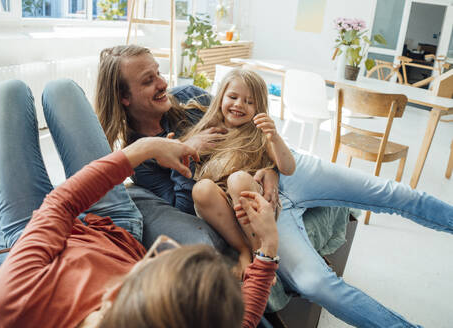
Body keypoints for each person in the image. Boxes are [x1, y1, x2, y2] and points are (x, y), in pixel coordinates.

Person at [95, 44, 453, 328]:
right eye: (148, 80)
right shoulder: (140, 158)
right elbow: (185, 208)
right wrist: (185, 157)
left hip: (287, 170)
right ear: (124, 97)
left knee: (393, 193)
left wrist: (272, 168)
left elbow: (250, 114)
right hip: (254, 203)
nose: (162, 83)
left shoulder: (190, 94)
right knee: (316, 285)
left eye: (158, 72)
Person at [0, 79, 280, 328]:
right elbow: (245, 321)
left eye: (147, 272)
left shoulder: (10, 306)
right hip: (116, 229)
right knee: (60, 90)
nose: (152, 256)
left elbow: (60, 204)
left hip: (30, 231)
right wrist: (268, 247)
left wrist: (142, 149)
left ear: (113, 298)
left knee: (11, 92)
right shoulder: (195, 104)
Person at [177, 69, 295, 278]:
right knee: (201, 188)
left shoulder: (259, 135)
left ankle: (261, 252)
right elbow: (182, 158)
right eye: (233, 97)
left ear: (259, 107)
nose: (239, 105)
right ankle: (244, 249)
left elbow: (288, 167)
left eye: (249, 102)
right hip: (221, 208)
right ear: (221, 97)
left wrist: (274, 137)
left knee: (238, 179)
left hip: (254, 205)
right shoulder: (209, 131)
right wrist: (179, 146)